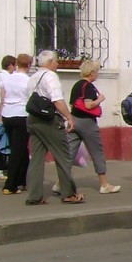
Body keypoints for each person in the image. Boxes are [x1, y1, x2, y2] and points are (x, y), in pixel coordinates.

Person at [24, 50, 84, 205]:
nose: (57, 64)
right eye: (56, 61)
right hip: (49, 120)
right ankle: (69, 193)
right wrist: (69, 117)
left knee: (37, 158)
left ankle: (34, 195)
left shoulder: (33, 77)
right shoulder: (50, 76)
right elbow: (57, 100)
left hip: (33, 119)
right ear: (50, 62)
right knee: (63, 155)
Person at [65, 60, 120, 194]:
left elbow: (73, 104)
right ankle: (104, 184)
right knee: (97, 152)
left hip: (74, 119)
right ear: (91, 73)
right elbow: (88, 105)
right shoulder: (88, 87)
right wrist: (100, 99)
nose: (97, 74)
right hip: (87, 122)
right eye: (96, 71)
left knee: (69, 153)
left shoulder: (76, 85)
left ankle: (60, 182)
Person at [0, 54, 32, 195]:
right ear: (29, 65)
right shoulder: (28, 81)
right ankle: (10, 185)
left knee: (21, 149)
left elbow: (3, 96)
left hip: (7, 114)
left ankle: (21, 181)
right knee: (18, 151)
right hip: (21, 115)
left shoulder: (8, 78)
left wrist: (1, 115)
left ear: (17, 64)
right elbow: (31, 100)